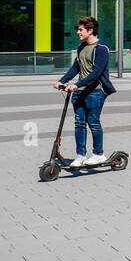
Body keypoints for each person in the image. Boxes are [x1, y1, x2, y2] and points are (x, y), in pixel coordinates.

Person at [52, 16, 117, 168]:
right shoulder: (81, 48)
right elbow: (75, 68)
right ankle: (80, 155)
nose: (78, 32)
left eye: (81, 30)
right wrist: (62, 81)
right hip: (79, 92)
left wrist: (77, 84)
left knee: (93, 123)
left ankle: (98, 154)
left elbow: (97, 72)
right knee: (79, 124)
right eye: (78, 29)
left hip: (95, 92)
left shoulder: (101, 49)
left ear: (90, 30)